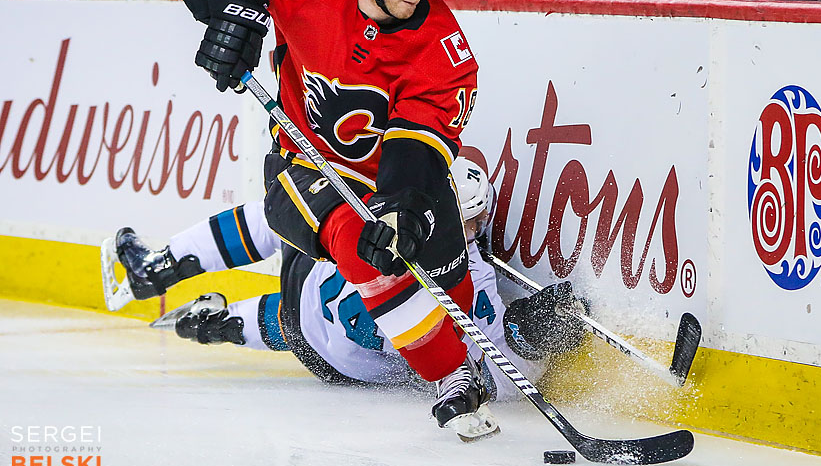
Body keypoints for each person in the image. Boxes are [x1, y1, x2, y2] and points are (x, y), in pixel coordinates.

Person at [161, 0, 490, 439]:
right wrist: (227, 9)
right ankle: (450, 375)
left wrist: (405, 206)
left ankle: (463, 356)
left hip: (388, 175)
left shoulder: (445, 52)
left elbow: (418, 148)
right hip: (300, 163)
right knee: (364, 245)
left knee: (439, 260)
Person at [111, 159, 588, 423]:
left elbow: (495, 377)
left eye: (469, 222)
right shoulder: (454, 267)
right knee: (286, 218)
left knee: (288, 224)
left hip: (322, 335)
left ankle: (179, 283)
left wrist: (529, 338)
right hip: (321, 340)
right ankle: (215, 319)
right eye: (458, 219)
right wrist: (526, 340)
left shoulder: (468, 277)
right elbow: (493, 374)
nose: (458, 230)